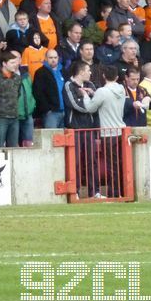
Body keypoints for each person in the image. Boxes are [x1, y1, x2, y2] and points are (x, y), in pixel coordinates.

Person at [82, 65, 127, 198]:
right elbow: (108, 99)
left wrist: (86, 95)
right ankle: (123, 191)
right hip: (121, 130)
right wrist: (94, 93)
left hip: (108, 133)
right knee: (121, 163)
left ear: (103, 76)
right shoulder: (121, 89)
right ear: (117, 77)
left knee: (111, 166)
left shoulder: (102, 91)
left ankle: (114, 193)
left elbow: (91, 108)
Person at [62, 60, 99, 198]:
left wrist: (91, 96)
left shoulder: (90, 85)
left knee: (92, 160)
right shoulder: (69, 85)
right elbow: (73, 104)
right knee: (75, 161)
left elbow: (97, 102)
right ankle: (75, 191)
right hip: (75, 128)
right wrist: (88, 101)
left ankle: (94, 191)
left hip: (89, 128)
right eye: (88, 70)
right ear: (81, 72)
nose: (90, 73)